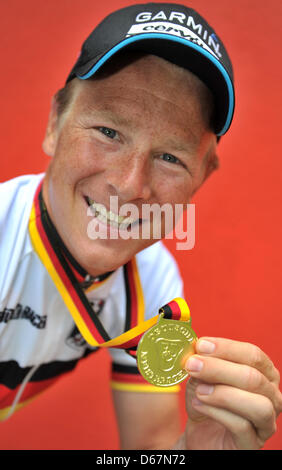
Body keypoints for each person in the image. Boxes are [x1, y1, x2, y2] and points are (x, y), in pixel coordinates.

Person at [0, 2, 281, 450]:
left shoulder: (153, 283)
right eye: (108, 131)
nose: (131, 186)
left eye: (170, 157)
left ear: (203, 177)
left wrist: (195, 451)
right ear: (55, 121)